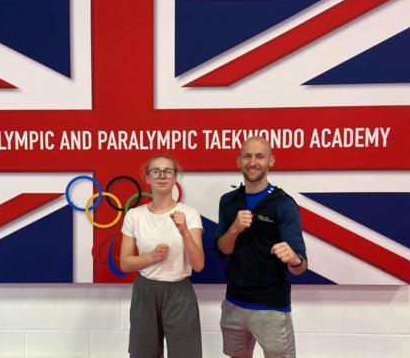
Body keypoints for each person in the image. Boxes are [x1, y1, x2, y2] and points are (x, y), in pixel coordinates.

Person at [214, 136, 307, 358]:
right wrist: (234, 229)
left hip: (271, 306)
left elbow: (300, 267)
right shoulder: (228, 201)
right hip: (234, 302)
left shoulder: (284, 204)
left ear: (271, 161)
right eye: (247, 156)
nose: (253, 162)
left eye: (260, 156)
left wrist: (294, 259)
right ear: (238, 161)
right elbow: (221, 251)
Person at [120, 155, 205, 358]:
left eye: (168, 171)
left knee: (186, 354)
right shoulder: (135, 215)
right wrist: (151, 257)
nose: (162, 176)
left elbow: (199, 264)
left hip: (179, 291)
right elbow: (125, 263)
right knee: (144, 354)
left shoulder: (188, 214)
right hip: (145, 291)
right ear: (147, 178)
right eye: (155, 171)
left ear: (175, 177)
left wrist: (184, 231)